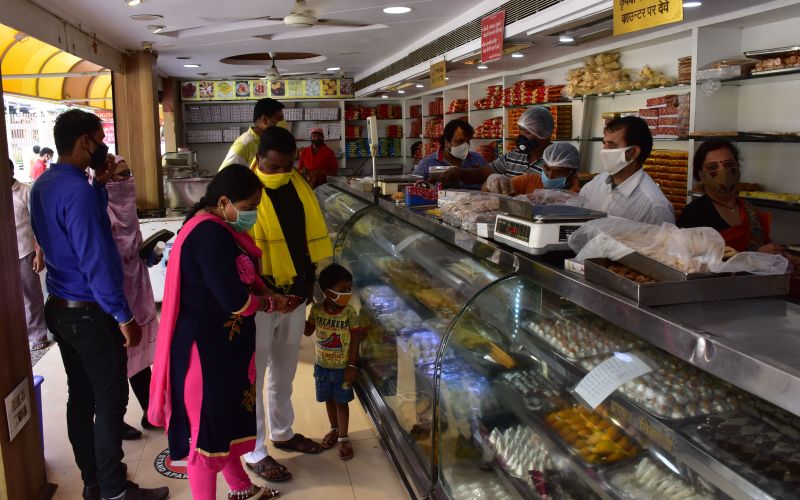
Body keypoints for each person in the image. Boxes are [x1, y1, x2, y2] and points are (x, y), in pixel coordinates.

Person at [30, 109, 168, 500]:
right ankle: (114, 490)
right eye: (99, 138)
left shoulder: (47, 184)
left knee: (81, 396)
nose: (103, 146)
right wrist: (123, 316)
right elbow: (94, 259)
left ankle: (93, 482)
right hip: (90, 312)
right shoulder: (77, 190)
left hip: (60, 306)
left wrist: (101, 184)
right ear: (85, 141)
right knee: (110, 401)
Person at [149, 164, 286, 500]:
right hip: (204, 350)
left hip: (219, 344)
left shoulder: (217, 227)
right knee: (206, 437)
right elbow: (233, 298)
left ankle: (241, 488)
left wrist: (266, 292)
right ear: (224, 201)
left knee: (219, 422)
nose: (253, 214)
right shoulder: (209, 233)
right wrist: (269, 303)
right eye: (250, 206)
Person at [240, 126, 334, 481]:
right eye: (273, 166)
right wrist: (266, 294)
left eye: (287, 166)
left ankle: (282, 432)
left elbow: (306, 245)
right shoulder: (244, 191)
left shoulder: (299, 186)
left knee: (285, 369)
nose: (281, 173)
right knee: (255, 373)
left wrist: (308, 289)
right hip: (261, 299)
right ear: (259, 158)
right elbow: (238, 252)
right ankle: (255, 449)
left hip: (294, 295)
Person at [101, 155, 161, 439]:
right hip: (113, 300)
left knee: (139, 358)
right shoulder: (100, 212)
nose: (126, 181)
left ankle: (151, 412)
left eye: (129, 174)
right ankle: (115, 421)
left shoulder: (129, 212)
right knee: (115, 363)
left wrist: (148, 255)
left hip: (137, 292)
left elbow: (134, 250)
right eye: (119, 176)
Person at [677, 138, 780, 253]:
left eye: (728, 164)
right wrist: (755, 257)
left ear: (738, 167)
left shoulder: (751, 212)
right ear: (701, 175)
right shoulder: (692, 214)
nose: (723, 171)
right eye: (713, 167)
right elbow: (685, 260)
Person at [304, 264, 363, 461]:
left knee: (341, 402)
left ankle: (343, 438)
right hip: (322, 367)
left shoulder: (349, 313)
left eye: (349, 289)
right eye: (342, 289)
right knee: (328, 399)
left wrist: (352, 365)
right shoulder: (317, 310)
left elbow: (355, 338)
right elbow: (308, 331)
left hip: (342, 369)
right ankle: (334, 429)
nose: (347, 293)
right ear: (327, 291)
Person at [579, 116, 675, 225]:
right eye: (604, 143)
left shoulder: (655, 207)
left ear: (633, 152)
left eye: (612, 145)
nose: (603, 150)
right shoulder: (597, 182)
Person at [434, 107, 553, 189]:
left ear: (543, 134)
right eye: (520, 131)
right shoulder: (512, 156)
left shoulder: (555, 162)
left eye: (527, 132)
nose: (521, 137)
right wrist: (458, 172)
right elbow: (481, 173)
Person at [9, 158, 49, 350]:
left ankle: (38, 336)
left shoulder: (25, 192)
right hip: (5, 255)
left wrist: (39, 253)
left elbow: (38, 224)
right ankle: (17, 335)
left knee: (30, 296)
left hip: (25, 252)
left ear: (11, 171)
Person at [487, 142, 582, 195]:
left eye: (558, 172)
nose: (549, 176)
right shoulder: (531, 180)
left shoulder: (577, 197)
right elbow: (486, 191)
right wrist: (493, 181)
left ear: (572, 173)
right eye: (547, 169)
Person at [413, 119, 487, 186]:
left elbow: (491, 179)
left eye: (467, 141)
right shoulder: (427, 163)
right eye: (460, 141)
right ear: (446, 142)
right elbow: (413, 188)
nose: (465, 145)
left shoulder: (477, 159)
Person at [221, 98, 285, 169]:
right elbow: (225, 174)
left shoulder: (270, 140)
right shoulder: (244, 143)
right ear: (264, 120)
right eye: (279, 119)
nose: (283, 122)